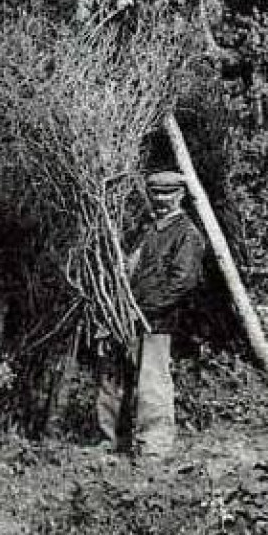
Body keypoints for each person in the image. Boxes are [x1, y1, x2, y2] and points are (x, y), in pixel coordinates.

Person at [96, 171, 208, 457]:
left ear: (180, 195)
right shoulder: (145, 228)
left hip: (156, 321)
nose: (160, 200)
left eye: (167, 194)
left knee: (152, 383)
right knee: (112, 379)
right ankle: (108, 440)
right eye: (155, 194)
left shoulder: (187, 233)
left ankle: (154, 448)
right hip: (122, 315)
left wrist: (142, 309)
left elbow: (182, 282)